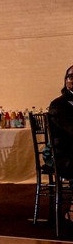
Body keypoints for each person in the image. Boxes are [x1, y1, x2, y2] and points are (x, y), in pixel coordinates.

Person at [48, 64, 73, 223]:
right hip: (64, 156)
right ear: (66, 81)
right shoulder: (58, 104)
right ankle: (71, 210)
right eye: (70, 77)